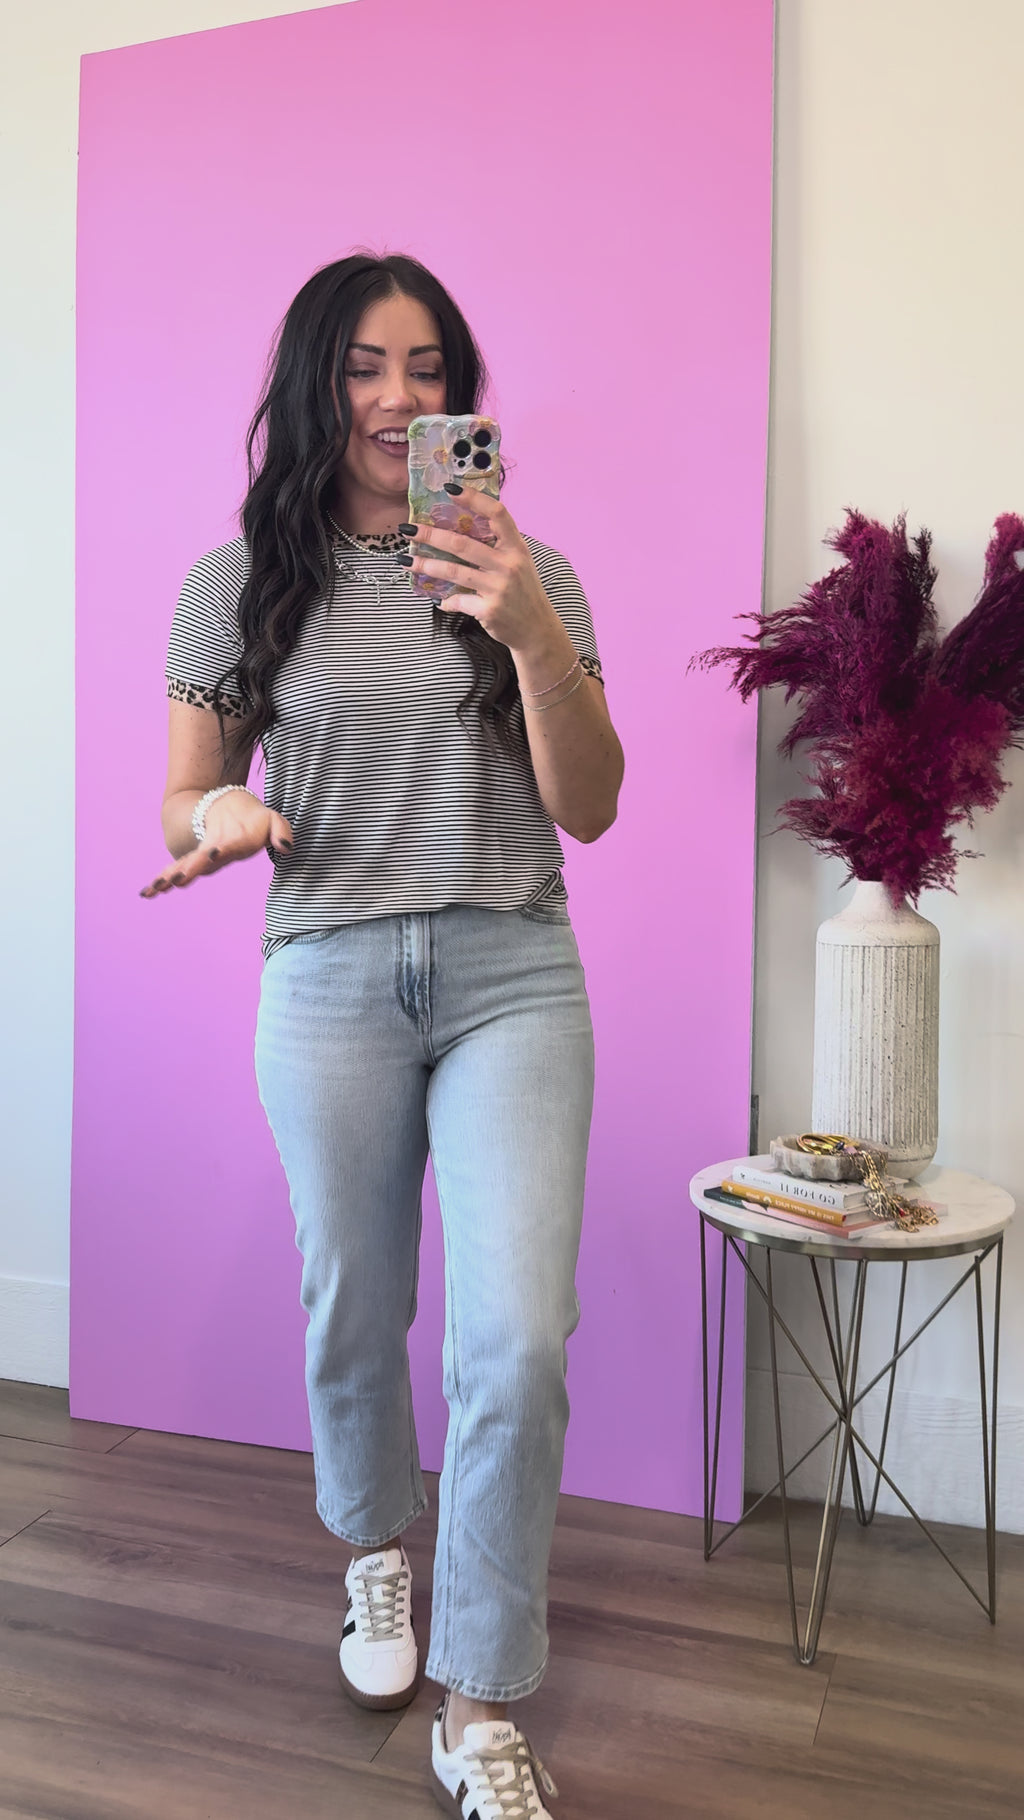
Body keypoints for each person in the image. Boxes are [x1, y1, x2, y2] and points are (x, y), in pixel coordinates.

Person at [142, 252, 624, 1817]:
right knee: (356, 1309)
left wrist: (527, 626)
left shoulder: (533, 570)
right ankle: (375, 1558)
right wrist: (220, 818)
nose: (397, 399)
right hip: (331, 974)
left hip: (511, 971)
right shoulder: (239, 579)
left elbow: (592, 808)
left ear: (458, 395)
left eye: (426, 369)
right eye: (363, 366)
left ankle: (478, 1710)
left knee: (518, 1341)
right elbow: (185, 796)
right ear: (314, 384)